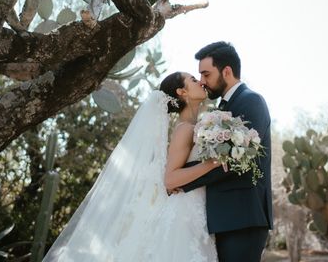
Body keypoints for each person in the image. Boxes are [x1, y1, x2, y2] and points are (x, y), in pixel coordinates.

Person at [42, 72, 219, 261]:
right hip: (185, 218)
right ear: (182, 91)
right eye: (193, 79)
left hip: (195, 212)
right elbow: (170, 180)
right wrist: (213, 164)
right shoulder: (184, 129)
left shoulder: (196, 126)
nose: (200, 81)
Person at [180, 41, 273, 262]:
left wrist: (182, 179)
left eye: (206, 74)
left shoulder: (251, 101)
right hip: (225, 219)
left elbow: (237, 159)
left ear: (227, 71)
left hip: (243, 219)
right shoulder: (223, 107)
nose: (202, 81)